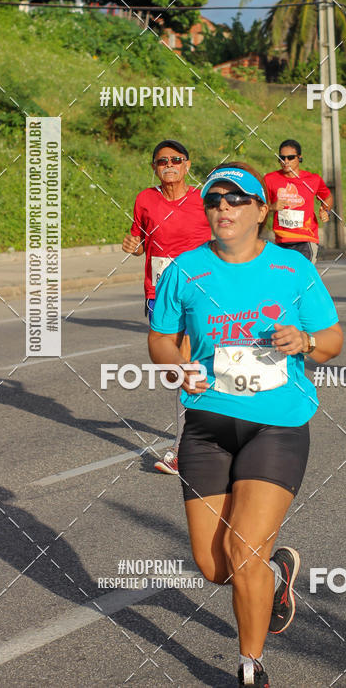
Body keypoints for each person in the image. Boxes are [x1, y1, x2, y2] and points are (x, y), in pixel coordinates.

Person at [148, 162, 343, 687]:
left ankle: (250, 666)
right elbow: (161, 339)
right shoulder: (184, 271)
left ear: (262, 211)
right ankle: (279, 576)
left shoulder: (293, 270)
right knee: (215, 569)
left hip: (276, 425)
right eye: (214, 201)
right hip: (208, 428)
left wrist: (304, 342)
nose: (224, 208)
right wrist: (176, 366)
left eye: (237, 200)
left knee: (244, 549)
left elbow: (332, 341)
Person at [122, 139, 211, 473]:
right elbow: (138, 240)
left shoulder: (203, 198)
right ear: (154, 168)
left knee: (185, 365)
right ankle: (201, 435)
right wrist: (132, 245)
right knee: (175, 370)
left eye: (176, 160)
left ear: (187, 165)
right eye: (162, 161)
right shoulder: (146, 199)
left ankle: (182, 449)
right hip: (158, 292)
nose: (169, 165)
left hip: (196, 291)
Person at [264, 139, 333, 263]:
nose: (285, 161)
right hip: (281, 241)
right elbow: (258, 207)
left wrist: (326, 210)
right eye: (282, 158)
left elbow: (327, 197)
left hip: (306, 240)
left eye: (290, 157)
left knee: (303, 278)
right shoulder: (270, 179)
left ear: (299, 158)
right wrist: (272, 207)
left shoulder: (312, 179)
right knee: (285, 280)